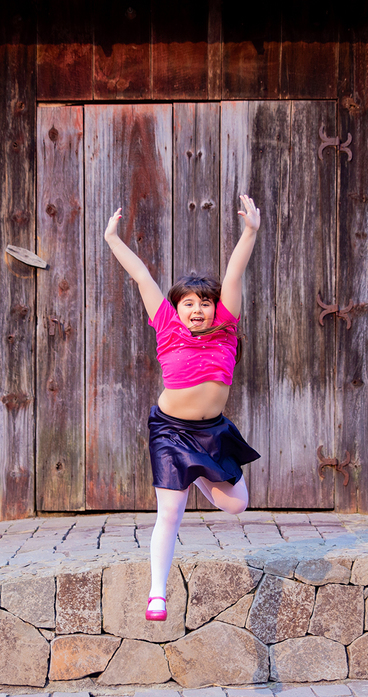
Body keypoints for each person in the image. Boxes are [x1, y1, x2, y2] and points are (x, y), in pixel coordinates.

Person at [103, 195, 262, 621]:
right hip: (171, 431)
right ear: (176, 310)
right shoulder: (167, 326)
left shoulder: (226, 328)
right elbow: (140, 276)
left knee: (237, 505)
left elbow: (235, 272)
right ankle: (157, 593)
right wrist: (112, 238)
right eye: (188, 303)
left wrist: (249, 232)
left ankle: (197, 479)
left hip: (213, 431)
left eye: (204, 303)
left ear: (216, 309)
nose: (197, 309)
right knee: (169, 513)